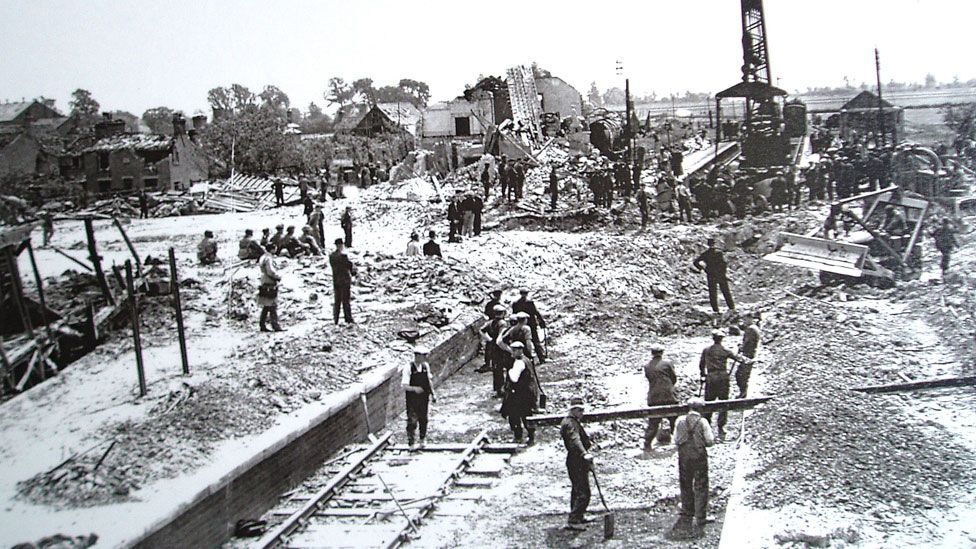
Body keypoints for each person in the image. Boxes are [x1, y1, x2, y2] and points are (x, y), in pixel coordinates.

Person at [699, 330, 752, 440]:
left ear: (713, 338)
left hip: (711, 378)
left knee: (708, 403)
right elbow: (739, 359)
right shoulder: (725, 350)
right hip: (723, 378)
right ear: (722, 339)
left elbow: (701, 364)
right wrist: (749, 360)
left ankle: (706, 427)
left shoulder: (706, 350)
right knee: (724, 403)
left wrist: (703, 375)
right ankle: (721, 428)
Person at [674, 397, 715, 528]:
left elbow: (676, 439)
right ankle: (701, 516)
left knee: (685, 483)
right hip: (699, 455)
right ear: (700, 409)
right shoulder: (703, 422)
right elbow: (709, 441)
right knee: (701, 484)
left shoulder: (680, 420)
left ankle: (687, 511)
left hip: (684, 456)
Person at [560, 396, 593, 531]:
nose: (582, 413)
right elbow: (575, 440)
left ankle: (578, 516)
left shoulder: (571, 421)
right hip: (576, 460)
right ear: (574, 411)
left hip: (576, 460)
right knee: (584, 492)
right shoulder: (570, 424)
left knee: (577, 490)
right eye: (580, 411)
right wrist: (584, 454)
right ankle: (574, 519)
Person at [497, 341, 539, 444]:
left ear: (520, 351)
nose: (512, 352)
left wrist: (510, 371)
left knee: (514, 415)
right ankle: (530, 436)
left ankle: (518, 436)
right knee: (526, 414)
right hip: (527, 393)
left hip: (519, 394)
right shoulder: (527, 360)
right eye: (513, 349)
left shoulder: (519, 362)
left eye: (515, 350)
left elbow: (514, 378)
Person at [641, 345, 678, 458]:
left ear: (652, 353)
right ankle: (679, 441)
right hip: (668, 396)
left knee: (653, 423)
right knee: (674, 420)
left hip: (654, 397)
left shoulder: (647, 366)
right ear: (662, 353)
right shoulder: (667, 364)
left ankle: (647, 445)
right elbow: (674, 378)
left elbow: (650, 379)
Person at [402, 346, 436, 449]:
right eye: (423, 355)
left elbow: (429, 381)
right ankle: (411, 442)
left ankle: (422, 439)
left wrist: (433, 393)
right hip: (412, 399)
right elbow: (404, 385)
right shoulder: (408, 367)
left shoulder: (425, 366)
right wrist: (415, 389)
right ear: (417, 356)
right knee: (412, 420)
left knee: (424, 419)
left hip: (424, 397)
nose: (425, 357)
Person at [692, 238, 735, 314]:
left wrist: (703, 268)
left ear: (708, 245)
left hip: (711, 275)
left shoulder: (705, 254)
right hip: (720, 275)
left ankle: (715, 310)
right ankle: (731, 308)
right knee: (725, 292)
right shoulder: (719, 253)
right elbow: (723, 264)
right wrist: (723, 272)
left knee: (713, 293)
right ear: (714, 244)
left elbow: (695, 262)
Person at [512, 289, 546, 363]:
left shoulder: (516, 303)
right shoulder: (529, 303)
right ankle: (540, 358)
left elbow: (514, 315)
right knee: (535, 342)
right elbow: (536, 313)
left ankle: (532, 359)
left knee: (527, 342)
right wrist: (541, 321)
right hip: (530, 325)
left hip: (523, 325)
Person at [480, 304, 507, 397]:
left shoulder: (490, 322)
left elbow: (481, 330)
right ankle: (504, 389)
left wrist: (489, 339)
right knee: (505, 367)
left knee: (496, 369)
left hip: (493, 348)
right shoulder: (502, 323)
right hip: (501, 348)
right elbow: (501, 336)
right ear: (503, 313)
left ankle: (498, 389)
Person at [329, 238, 357, 325]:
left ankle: (336, 319)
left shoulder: (331, 256)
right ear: (341, 245)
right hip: (345, 280)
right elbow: (349, 266)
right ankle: (348, 318)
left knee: (337, 301)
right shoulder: (344, 256)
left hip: (336, 280)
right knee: (346, 300)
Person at [257, 246, 283, 332]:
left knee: (266, 305)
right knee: (272, 304)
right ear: (272, 249)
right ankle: (275, 326)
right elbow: (270, 271)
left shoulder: (263, 257)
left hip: (264, 280)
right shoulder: (269, 258)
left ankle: (262, 324)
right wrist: (278, 277)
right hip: (270, 281)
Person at [737, 314, 761, 398]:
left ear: (750, 319)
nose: (744, 322)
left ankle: (743, 393)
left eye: (745, 319)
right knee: (743, 375)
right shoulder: (755, 328)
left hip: (748, 355)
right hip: (751, 354)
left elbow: (747, 342)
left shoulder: (750, 329)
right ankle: (743, 393)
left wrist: (741, 347)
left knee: (740, 375)